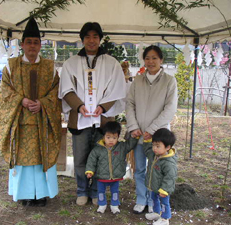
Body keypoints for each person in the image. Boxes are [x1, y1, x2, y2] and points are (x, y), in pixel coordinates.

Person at [59, 22, 126, 206]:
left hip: (102, 120)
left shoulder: (111, 63)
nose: (91, 40)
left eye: (95, 36)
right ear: (82, 39)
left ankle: (96, 192)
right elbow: (65, 89)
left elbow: (117, 89)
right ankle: (82, 191)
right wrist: (78, 106)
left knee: (101, 157)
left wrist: (103, 107)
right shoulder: (70, 63)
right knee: (80, 158)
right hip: (80, 119)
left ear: (100, 39)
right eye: (87, 37)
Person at [0, 17, 62, 207]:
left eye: (36, 42)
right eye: (29, 42)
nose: (32, 46)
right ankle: (25, 195)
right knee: (23, 161)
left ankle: (42, 195)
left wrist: (42, 103)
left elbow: (55, 93)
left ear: (40, 45)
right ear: (22, 44)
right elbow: (5, 91)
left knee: (42, 158)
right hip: (20, 122)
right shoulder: (11, 66)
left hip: (43, 122)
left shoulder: (50, 68)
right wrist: (22, 100)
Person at [126, 45, 178, 214]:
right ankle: (141, 199)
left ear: (161, 60)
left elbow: (170, 109)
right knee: (139, 169)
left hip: (158, 138)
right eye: (147, 58)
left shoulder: (169, 81)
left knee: (156, 171)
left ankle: (153, 201)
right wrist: (133, 126)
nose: (151, 61)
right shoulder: (138, 80)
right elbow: (130, 104)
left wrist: (153, 130)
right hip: (139, 135)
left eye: (154, 58)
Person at [85, 121, 138, 214]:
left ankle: (114, 205)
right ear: (103, 136)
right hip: (101, 176)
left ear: (118, 137)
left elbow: (130, 145)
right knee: (101, 192)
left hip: (115, 176)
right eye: (108, 137)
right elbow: (91, 160)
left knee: (115, 192)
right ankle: (102, 205)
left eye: (114, 138)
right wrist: (90, 171)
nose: (111, 140)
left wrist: (134, 137)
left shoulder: (121, 147)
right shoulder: (98, 149)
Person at [143, 128, 177, 225]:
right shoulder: (154, 155)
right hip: (154, 186)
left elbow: (170, 177)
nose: (154, 148)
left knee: (164, 203)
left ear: (167, 147)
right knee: (154, 199)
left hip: (163, 189)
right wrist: (147, 141)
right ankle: (156, 212)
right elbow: (147, 150)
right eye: (153, 145)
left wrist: (165, 189)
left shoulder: (168, 162)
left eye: (158, 146)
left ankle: (165, 218)